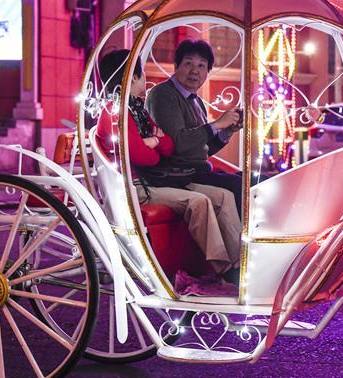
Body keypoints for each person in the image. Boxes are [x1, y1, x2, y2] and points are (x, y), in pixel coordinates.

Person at [96, 49, 240, 295]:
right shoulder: (115, 113)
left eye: (202, 65)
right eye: (141, 76)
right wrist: (153, 143)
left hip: (158, 179)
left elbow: (168, 145)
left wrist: (153, 142)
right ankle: (222, 269)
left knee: (225, 196)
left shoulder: (137, 110)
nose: (145, 82)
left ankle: (240, 262)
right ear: (130, 77)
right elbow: (146, 156)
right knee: (200, 202)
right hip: (140, 186)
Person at [146, 39, 244, 216]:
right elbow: (179, 143)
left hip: (198, 171)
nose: (194, 71)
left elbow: (202, 149)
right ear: (176, 66)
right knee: (241, 187)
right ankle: (243, 241)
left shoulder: (196, 100)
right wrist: (216, 124)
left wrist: (226, 131)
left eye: (201, 66)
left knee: (255, 180)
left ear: (208, 72)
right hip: (179, 174)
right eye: (188, 63)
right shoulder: (163, 94)